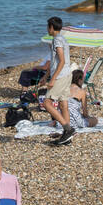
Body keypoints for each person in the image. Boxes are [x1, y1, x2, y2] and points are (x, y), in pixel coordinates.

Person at [40, 17, 75, 145]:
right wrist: (46, 76)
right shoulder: (63, 39)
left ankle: (68, 128)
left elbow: (62, 61)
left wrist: (53, 79)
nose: (47, 29)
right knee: (63, 104)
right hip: (67, 75)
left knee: (47, 103)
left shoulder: (57, 40)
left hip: (60, 77)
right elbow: (55, 62)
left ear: (51, 27)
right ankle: (67, 138)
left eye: (47, 27)